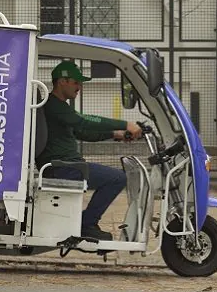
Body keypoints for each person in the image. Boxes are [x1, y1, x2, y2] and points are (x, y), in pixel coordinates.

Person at [36, 60, 142, 241]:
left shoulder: (61, 107)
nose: (80, 87)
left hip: (67, 165)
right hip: (62, 168)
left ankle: (85, 223)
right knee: (117, 178)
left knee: (114, 177)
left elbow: (82, 132)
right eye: (76, 82)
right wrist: (125, 124)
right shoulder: (54, 105)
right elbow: (83, 121)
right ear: (62, 81)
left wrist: (115, 134)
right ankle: (86, 224)